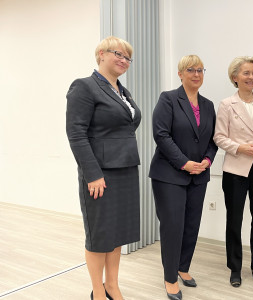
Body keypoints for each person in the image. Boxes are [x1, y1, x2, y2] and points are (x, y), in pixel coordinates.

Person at [66, 36, 140, 300]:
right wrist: (93, 174)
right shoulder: (84, 87)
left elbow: (124, 127)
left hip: (126, 169)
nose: (123, 60)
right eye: (117, 54)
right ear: (100, 55)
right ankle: (98, 290)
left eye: (127, 57)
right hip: (101, 173)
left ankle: (112, 284)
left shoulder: (121, 90)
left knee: (117, 231)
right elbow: (76, 134)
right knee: (100, 234)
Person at [149, 55, 218, 300]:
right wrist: (184, 163)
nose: (196, 74)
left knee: (191, 225)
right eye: (191, 69)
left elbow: (212, 140)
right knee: (173, 227)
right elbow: (161, 135)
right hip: (169, 175)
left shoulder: (208, 105)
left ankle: (183, 267)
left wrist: (207, 161)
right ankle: (170, 278)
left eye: (200, 69)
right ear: (180, 73)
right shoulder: (168, 99)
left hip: (199, 175)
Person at [214, 57, 253, 289]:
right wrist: (241, 147)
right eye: (246, 73)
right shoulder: (226, 104)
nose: (251, 77)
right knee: (235, 221)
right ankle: (235, 269)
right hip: (236, 168)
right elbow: (219, 137)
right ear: (235, 77)